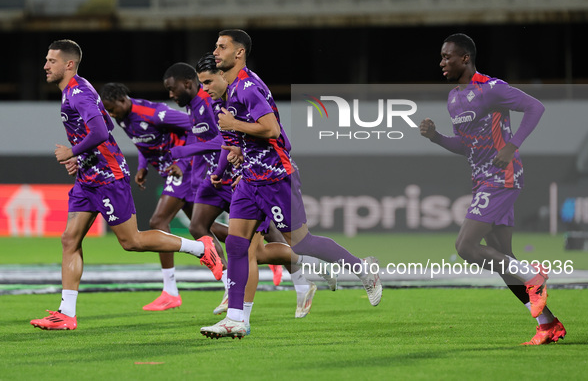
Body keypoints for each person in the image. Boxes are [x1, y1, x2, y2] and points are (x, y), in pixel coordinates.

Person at [200, 29, 382, 340]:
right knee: (236, 243)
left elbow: (270, 129)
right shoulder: (228, 93)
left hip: (275, 176)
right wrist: (235, 151)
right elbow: (244, 137)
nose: (216, 51)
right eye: (216, 46)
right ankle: (236, 319)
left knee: (302, 243)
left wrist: (234, 126)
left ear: (239, 53)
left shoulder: (247, 87)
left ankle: (362, 267)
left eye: (222, 46)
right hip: (250, 179)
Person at [30, 39, 221, 331]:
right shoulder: (75, 91)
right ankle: (66, 313)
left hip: (107, 176)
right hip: (89, 177)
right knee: (70, 239)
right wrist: (79, 160)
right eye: (46, 60)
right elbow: (105, 127)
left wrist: (71, 152)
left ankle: (199, 249)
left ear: (69, 64)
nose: (45, 65)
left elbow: (97, 131)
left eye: (51, 61)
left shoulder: (78, 93)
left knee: (131, 241)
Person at [419, 33, 565, 345]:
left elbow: (535, 108)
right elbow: (466, 146)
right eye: (441, 56)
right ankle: (548, 324)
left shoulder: (491, 88)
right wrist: (436, 137)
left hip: (502, 177)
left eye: (448, 56)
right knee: (502, 257)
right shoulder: (454, 98)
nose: (442, 62)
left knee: (465, 247)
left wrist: (512, 146)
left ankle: (533, 277)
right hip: (482, 179)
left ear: (465, 58)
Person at [100, 82, 228, 311]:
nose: (111, 114)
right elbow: (142, 143)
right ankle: (250, 241)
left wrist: (182, 161)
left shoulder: (153, 113)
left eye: (112, 109)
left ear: (122, 100)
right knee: (201, 226)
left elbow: (194, 128)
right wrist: (143, 166)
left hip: (185, 169)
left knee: (158, 221)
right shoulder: (122, 117)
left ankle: (170, 291)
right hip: (170, 169)